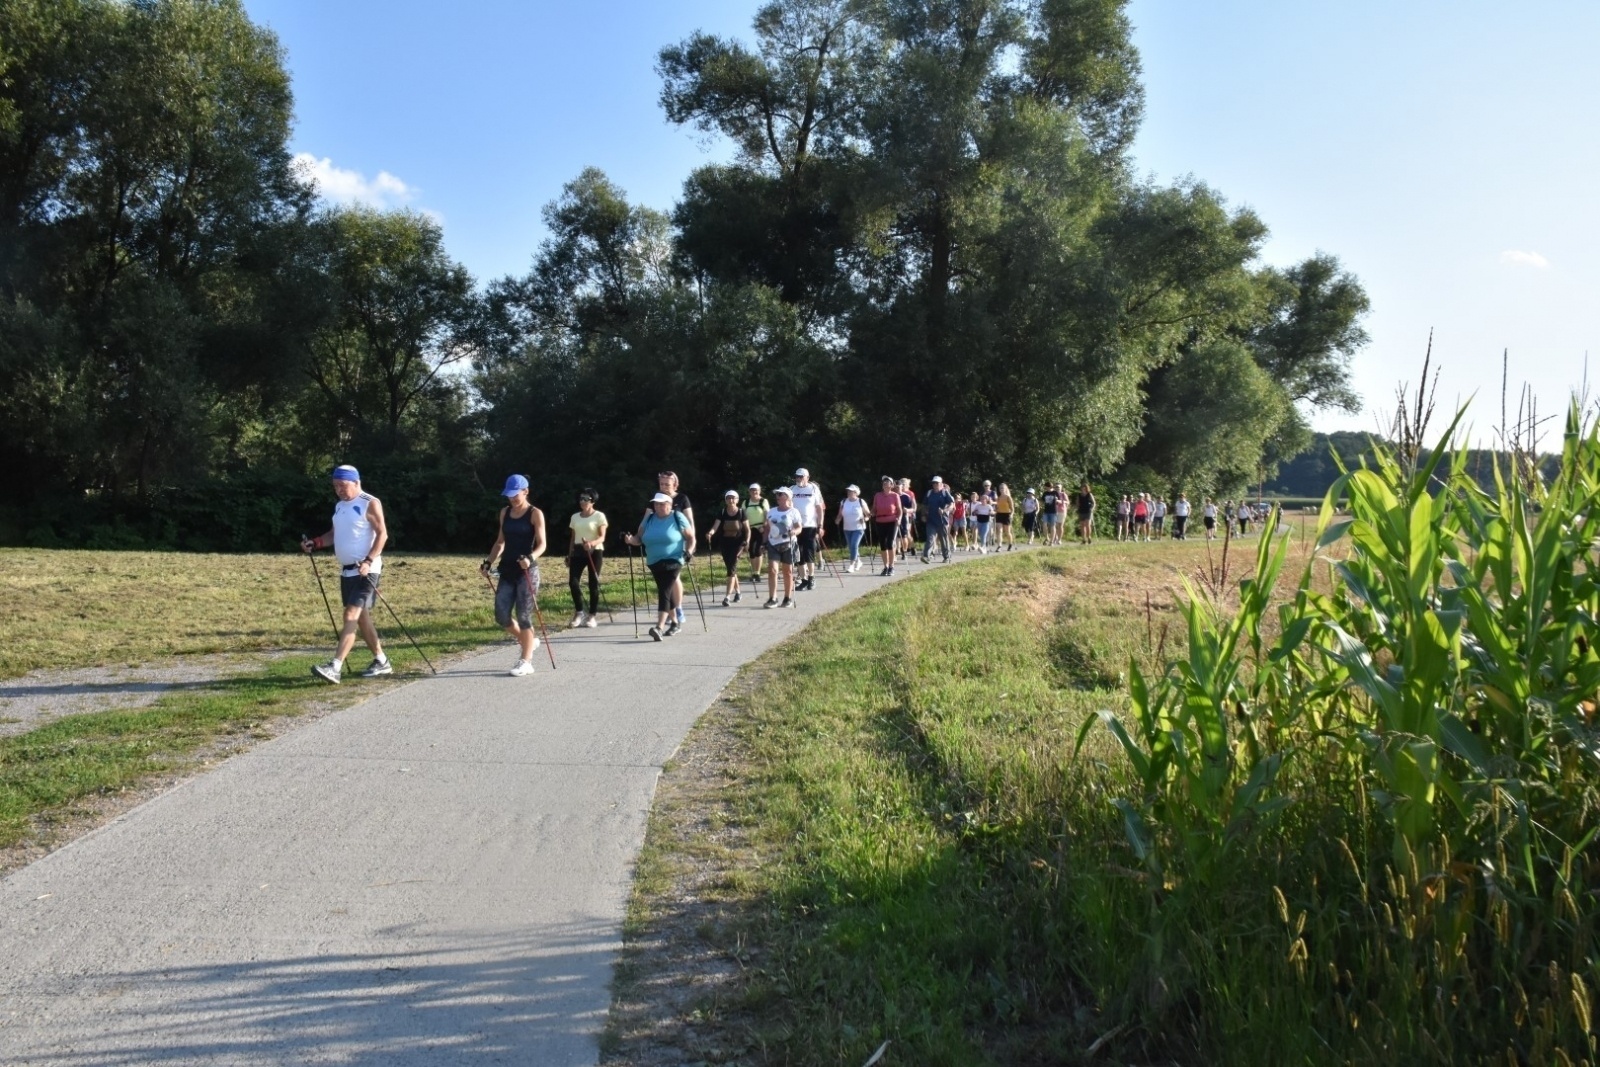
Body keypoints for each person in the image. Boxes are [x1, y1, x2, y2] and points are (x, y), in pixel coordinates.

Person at [303, 465, 392, 684]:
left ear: (355, 481)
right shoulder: (340, 506)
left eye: (342, 485)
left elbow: (383, 535)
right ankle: (381, 661)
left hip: (366, 571)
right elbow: (335, 534)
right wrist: (315, 542)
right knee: (361, 619)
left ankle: (335, 667)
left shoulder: (369, 502)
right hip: (347, 572)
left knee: (350, 615)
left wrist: (369, 560)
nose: (339, 490)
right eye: (335, 486)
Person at [481, 473, 547, 677]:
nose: (512, 499)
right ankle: (528, 640)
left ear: (525, 491)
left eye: (515, 494)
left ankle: (525, 661)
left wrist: (530, 558)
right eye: (509, 495)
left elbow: (542, 544)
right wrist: (488, 562)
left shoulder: (535, 513)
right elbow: (500, 541)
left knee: (524, 615)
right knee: (501, 615)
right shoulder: (505, 512)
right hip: (507, 569)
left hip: (527, 571)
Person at [624, 492, 695, 640]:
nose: (659, 507)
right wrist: (630, 540)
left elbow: (690, 537)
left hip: (674, 559)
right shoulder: (649, 519)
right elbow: (639, 539)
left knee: (664, 590)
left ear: (670, 505)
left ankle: (659, 627)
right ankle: (675, 622)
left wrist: (688, 551)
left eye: (662, 504)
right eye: (656, 504)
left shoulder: (677, 517)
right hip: (654, 562)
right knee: (666, 591)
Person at [652, 472, 694, 626]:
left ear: (675, 485)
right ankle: (671, 611)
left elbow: (689, 522)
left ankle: (678, 608)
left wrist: (691, 545)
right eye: (661, 484)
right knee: (667, 579)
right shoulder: (657, 498)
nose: (663, 487)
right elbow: (648, 518)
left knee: (673, 577)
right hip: (659, 544)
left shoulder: (682, 499)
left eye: (667, 484)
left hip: (678, 543)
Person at [567, 488, 608, 629]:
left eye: (586, 499)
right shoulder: (575, 517)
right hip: (578, 551)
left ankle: (592, 615)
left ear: (593, 501)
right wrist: (569, 554)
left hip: (594, 551)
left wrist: (592, 543)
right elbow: (573, 538)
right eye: (581, 499)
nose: (582, 502)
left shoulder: (599, 516)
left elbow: (602, 537)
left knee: (593, 583)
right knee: (573, 582)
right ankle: (579, 612)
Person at [707, 490, 750, 606]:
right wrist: (710, 533)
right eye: (728, 498)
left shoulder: (741, 512)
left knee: (731, 569)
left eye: (733, 498)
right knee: (731, 569)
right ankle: (738, 592)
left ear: (737, 500)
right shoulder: (722, 512)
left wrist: (747, 541)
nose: (731, 500)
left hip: (738, 544)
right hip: (725, 543)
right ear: (726, 500)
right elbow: (715, 526)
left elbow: (747, 529)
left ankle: (727, 597)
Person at [763, 486, 802, 606]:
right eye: (777, 494)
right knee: (773, 570)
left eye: (781, 494)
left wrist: (794, 532)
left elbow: (799, 527)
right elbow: (767, 528)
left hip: (788, 544)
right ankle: (772, 598)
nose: (778, 497)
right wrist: (763, 543)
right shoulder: (772, 511)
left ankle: (787, 597)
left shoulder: (793, 511)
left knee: (788, 572)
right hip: (773, 544)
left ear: (788, 497)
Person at [788, 468, 824, 591]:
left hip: (810, 525)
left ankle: (811, 578)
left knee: (809, 552)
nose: (798, 479)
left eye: (801, 477)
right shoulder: (792, 490)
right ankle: (803, 580)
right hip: (796, 526)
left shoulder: (813, 489)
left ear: (807, 477)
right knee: (799, 554)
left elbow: (819, 508)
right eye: (797, 476)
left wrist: (820, 525)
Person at [871, 475, 902, 576]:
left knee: (890, 543)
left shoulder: (895, 495)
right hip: (880, 521)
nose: (885, 483)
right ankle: (886, 566)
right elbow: (874, 508)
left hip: (892, 520)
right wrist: (871, 513)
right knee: (883, 545)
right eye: (884, 482)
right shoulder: (878, 495)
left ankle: (892, 566)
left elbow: (899, 509)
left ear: (892, 485)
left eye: (887, 482)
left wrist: (899, 518)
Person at [835, 484, 870, 572]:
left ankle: (851, 565)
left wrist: (865, 519)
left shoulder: (861, 501)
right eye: (848, 491)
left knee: (854, 545)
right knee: (851, 547)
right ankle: (858, 561)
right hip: (847, 528)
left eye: (851, 491)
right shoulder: (843, 502)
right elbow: (840, 514)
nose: (849, 492)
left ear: (856, 493)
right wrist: (838, 520)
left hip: (858, 528)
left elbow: (868, 514)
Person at [921, 476, 955, 563]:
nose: (935, 485)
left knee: (943, 539)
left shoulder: (945, 493)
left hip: (942, 520)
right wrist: (923, 515)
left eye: (937, 483)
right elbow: (924, 505)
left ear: (941, 484)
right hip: (931, 520)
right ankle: (926, 556)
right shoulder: (929, 493)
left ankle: (947, 557)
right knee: (930, 538)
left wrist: (944, 510)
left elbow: (951, 504)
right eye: (933, 483)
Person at [742, 483, 769, 583]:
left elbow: (767, 515)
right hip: (749, 529)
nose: (754, 492)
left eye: (756, 490)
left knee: (758, 550)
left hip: (760, 528)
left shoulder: (763, 501)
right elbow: (743, 516)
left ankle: (757, 573)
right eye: (752, 490)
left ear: (759, 491)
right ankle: (754, 572)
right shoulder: (746, 502)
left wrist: (764, 526)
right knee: (751, 551)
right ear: (749, 491)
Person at [896, 478, 918, 563]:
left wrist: (909, 511)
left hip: (908, 515)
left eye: (904, 483)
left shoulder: (910, 493)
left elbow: (913, 506)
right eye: (901, 483)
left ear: (907, 485)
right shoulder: (897, 493)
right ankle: (901, 549)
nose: (903, 485)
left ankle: (910, 547)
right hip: (900, 515)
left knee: (907, 532)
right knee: (901, 534)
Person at [995, 484, 1015, 550]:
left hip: (1007, 515)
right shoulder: (998, 498)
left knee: (1007, 532)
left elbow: (1012, 508)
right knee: (999, 530)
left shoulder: (1008, 497)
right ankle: (999, 545)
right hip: (999, 514)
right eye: (1000, 488)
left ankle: (1010, 543)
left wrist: (1011, 515)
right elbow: (997, 507)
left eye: (1003, 488)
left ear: (1006, 489)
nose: (1001, 489)